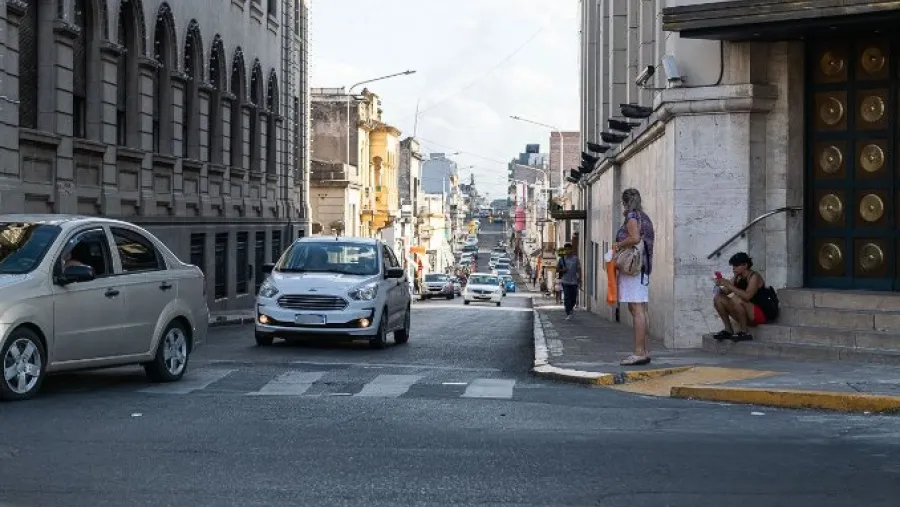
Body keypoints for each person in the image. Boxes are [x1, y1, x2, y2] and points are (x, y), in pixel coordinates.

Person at [613, 188, 655, 366]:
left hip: (633, 268)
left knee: (636, 309)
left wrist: (618, 245)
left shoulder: (631, 216)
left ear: (625, 202)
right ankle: (644, 351)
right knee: (640, 309)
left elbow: (635, 238)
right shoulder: (643, 216)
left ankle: (639, 352)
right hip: (643, 266)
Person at [713, 252, 767, 341]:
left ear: (745, 265)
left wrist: (729, 285)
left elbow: (747, 296)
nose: (734, 268)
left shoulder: (754, 276)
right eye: (733, 265)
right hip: (744, 313)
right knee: (718, 298)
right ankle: (728, 329)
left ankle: (744, 332)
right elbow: (725, 291)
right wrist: (718, 285)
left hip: (758, 314)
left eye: (737, 265)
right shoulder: (737, 277)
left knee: (736, 298)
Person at [557, 243, 581, 319]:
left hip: (574, 281)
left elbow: (579, 269)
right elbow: (557, 269)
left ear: (571, 250)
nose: (567, 251)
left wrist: (580, 279)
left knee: (573, 298)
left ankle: (571, 308)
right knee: (567, 297)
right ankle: (568, 312)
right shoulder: (561, 259)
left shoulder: (576, 259)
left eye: (569, 249)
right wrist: (562, 270)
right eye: (566, 249)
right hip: (565, 281)